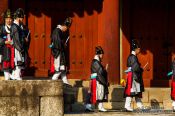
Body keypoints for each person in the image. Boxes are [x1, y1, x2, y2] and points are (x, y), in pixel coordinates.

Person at [85, 46, 109, 112]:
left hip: (96, 79)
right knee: (98, 92)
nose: (102, 56)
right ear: (98, 54)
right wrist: (105, 70)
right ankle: (89, 107)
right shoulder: (96, 62)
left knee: (98, 93)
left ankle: (99, 106)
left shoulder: (96, 62)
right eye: (101, 54)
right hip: (97, 80)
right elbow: (100, 71)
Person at [124, 39, 145, 112]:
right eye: (139, 49)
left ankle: (140, 105)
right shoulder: (133, 57)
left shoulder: (132, 56)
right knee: (131, 91)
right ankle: (127, 106)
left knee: (137, 91)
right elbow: (136, 68)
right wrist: (141, 69)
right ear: (136, 49)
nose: (139, 50)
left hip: (133, 75)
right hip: (133, 76)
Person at [50, 17, 72, 84]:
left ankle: (66, 83)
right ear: (65, 26)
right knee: (59, 70)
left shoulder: (59, 32)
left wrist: (63, 44)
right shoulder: (57, 31)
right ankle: (52, 81)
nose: (66, 30)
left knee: (63, 71)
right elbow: (57, 43)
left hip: (60, 53)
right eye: (67, 28)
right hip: (58, 53)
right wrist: (63, 45)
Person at [10, 8, 26, 80]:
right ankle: (16, 76)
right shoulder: (15, 27)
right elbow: (16, 39)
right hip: (17, 47)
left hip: (19, 46)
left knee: (20, 61)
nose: (23, 19)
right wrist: (20, 48)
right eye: (22, 17)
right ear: (19, 17)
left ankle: (16, 75)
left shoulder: (18, 26)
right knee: (18, 61)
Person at [0, 9, 14, 80]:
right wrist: (5, 42)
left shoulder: (14, 27)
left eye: (10, 19)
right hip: (5, 48)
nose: (9, 20)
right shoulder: (1, 28)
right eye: (7, 19)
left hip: (13, 47)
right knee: (6, 62)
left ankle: (13, 76)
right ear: (5, 20)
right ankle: (7, 77)